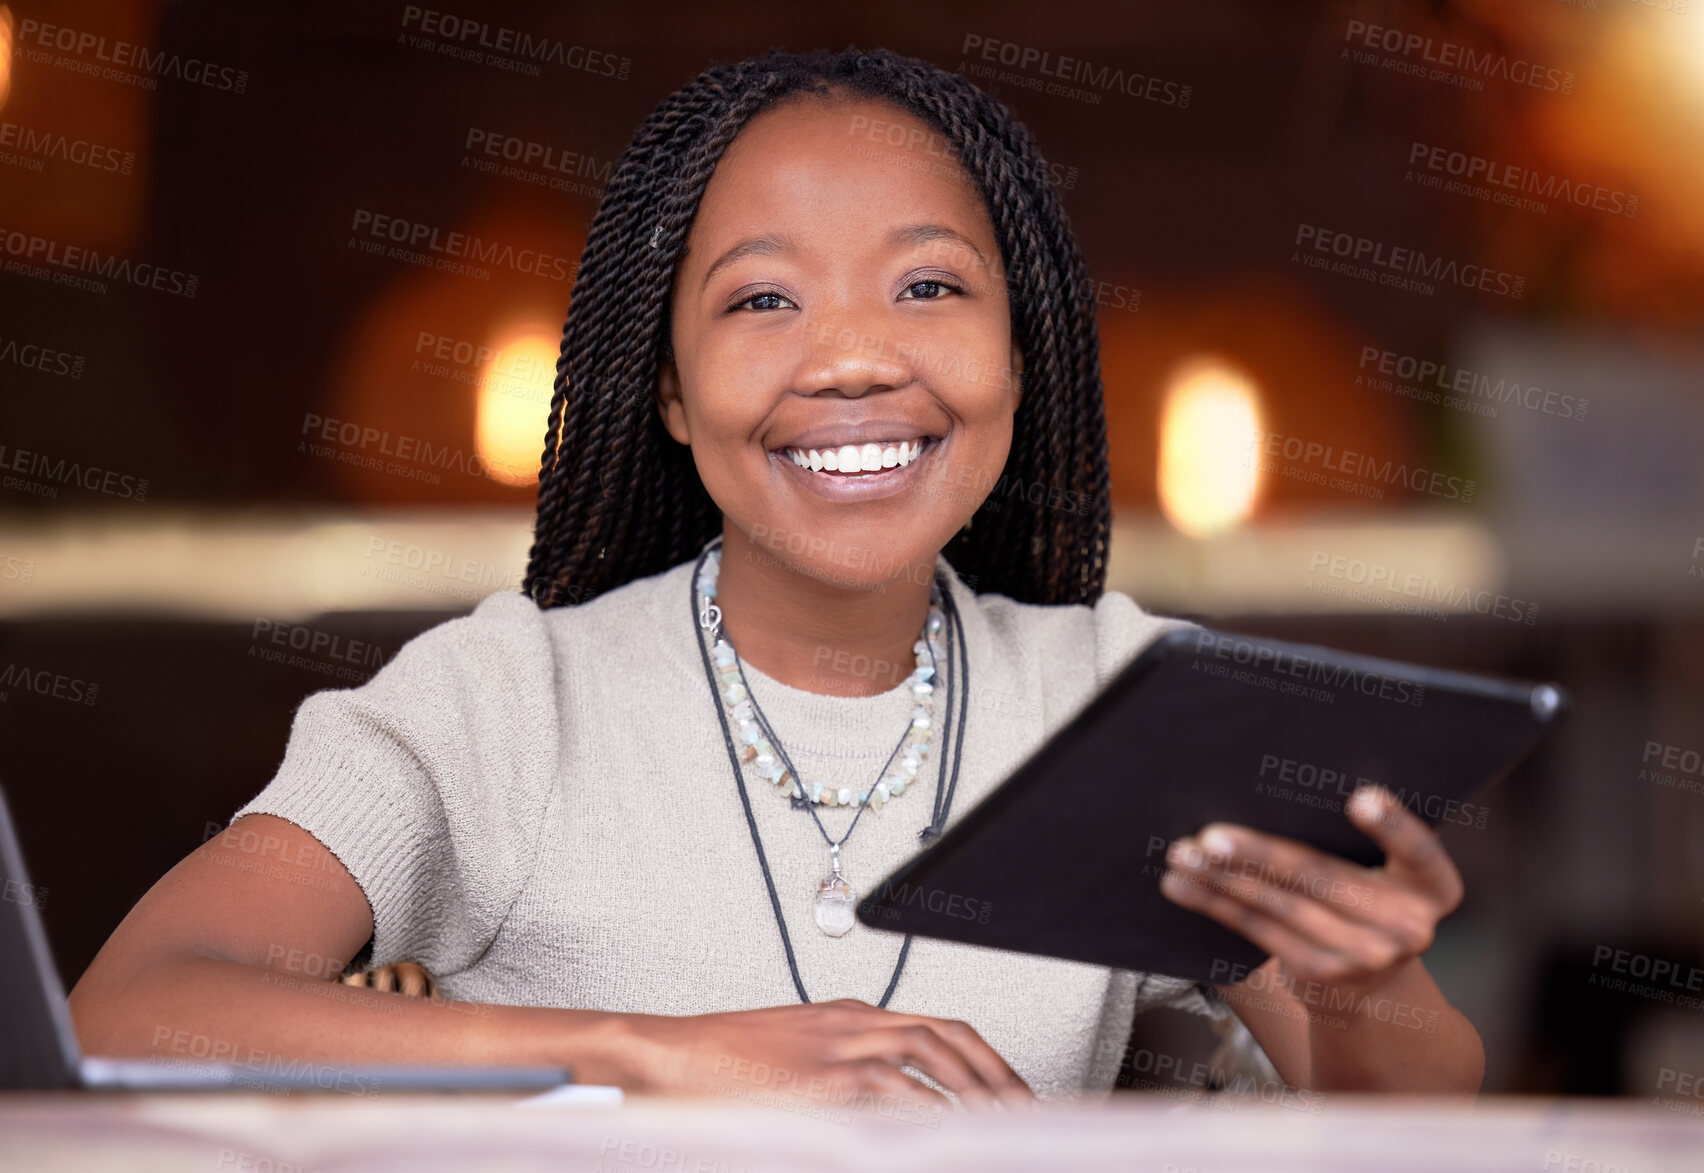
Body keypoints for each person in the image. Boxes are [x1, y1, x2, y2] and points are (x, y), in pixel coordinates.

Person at [68, 46, 1483, 1113]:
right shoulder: (505, 697)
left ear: (1022, 354)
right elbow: (139, 1007)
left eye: (929, 286)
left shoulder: (1129, 696)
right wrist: (645, 1053)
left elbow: (1413, 1120)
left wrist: (1365, 988)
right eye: (761, 298)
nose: (855, 357)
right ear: (671, 392)